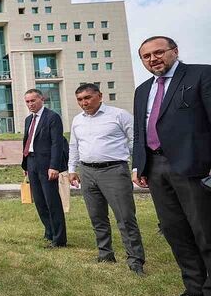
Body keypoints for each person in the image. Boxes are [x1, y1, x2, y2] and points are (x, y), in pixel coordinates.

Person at [132, 36, 211, 296]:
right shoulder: (142, 90)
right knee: (175, 231)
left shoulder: (201, 75)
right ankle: (194, 290)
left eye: (158, 52)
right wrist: (139, 164)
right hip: (156, 168)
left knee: (204, 231)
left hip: (193, 166)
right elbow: (141, 131)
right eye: (146, 56)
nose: (153, 59)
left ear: (174, 52)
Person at [68, 83, 145, 275]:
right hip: (87, 172)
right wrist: (72, 169)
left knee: (125, 217)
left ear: (100, 96)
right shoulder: (77, 120)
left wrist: (137, 167)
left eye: (87, 98)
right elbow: (74, 146)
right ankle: (105, 254)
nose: (84, 103)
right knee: (97, 216)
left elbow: (136, 141)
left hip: (114, 171)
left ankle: (135, 260)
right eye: (80, 99)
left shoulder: (119, 115)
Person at [21, 88, 68, 248]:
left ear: (42, 99)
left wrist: (54, 166)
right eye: (27, 101)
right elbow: (27, 141)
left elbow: (57, 143)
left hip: (47, 165)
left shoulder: (52, 117)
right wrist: (25, 164)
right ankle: (49, 232)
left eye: (33, 100)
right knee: (40, 201)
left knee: (52, 201)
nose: (30, 104)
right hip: (32, 163)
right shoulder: (29, 119)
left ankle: (59, 239)